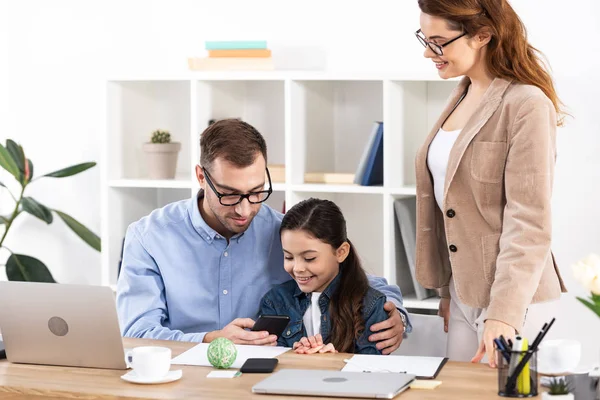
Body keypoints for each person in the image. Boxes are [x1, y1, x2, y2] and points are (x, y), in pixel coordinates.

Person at [116, 118, 412, 354]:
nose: (246, 209)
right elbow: (136, 333)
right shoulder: (149, 237)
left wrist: (394, 311)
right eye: (230, 195)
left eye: (257, 191)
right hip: (181, 377)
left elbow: (351, 276)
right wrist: (211, 340)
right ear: (201, 177)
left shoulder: (282, 232)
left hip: (264, 378)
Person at [413, 0, 567, 367]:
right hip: (463, 292)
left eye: (438, 41)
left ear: (482, 35)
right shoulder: (461, 94)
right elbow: (451, 207)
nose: (427, 53)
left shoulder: (526, 104)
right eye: (424, 39)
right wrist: (448, 292)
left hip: (509, 297)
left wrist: (504, 314)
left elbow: (529, 221)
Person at [258, 198, 389, 355]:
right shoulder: (275, 302)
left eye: (309, 258)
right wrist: (295, 357)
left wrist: (334, 361)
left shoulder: (370, 305)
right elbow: (267, 361)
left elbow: (372, 372)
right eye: (289, 257)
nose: (298, 268)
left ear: (341, 252)